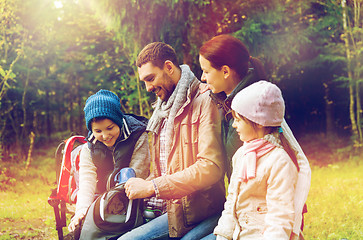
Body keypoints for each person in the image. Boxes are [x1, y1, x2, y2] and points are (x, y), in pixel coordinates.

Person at [199, 34, 310, 239]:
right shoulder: (227, 106)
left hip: (271, 220)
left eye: (206, 71)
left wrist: (293, 229)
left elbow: (300, 163)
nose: (202, 78)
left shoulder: (259, 106)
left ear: (225, 71)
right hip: (243, 216)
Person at [118, 42, 226, 239]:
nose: (148, 87)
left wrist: (153, 187)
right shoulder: (161, 111)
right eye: (144, 81)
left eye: (150, 79)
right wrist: (143, 185)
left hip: (198, 211)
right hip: (167, 207)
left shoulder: (204, 101)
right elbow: (164, 172)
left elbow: (210, 167)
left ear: (169, 67)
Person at [213, 80, 299, 239]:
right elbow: (232, 202)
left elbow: (280, 217)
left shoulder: (280, 162)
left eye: (238, 120)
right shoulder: (241, 155)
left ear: (259, 122)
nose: (234, 125)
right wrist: (223, 236)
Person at [67, 89, 150, 233]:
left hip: (131, 197)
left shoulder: (138, 136)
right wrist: (82, 210)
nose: (105, 136)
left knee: (128, 173)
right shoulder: (89, 147)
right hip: (101, 198)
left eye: (110, 128)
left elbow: (139, 174)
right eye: (98, 131)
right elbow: (87, 181)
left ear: (118, 121)